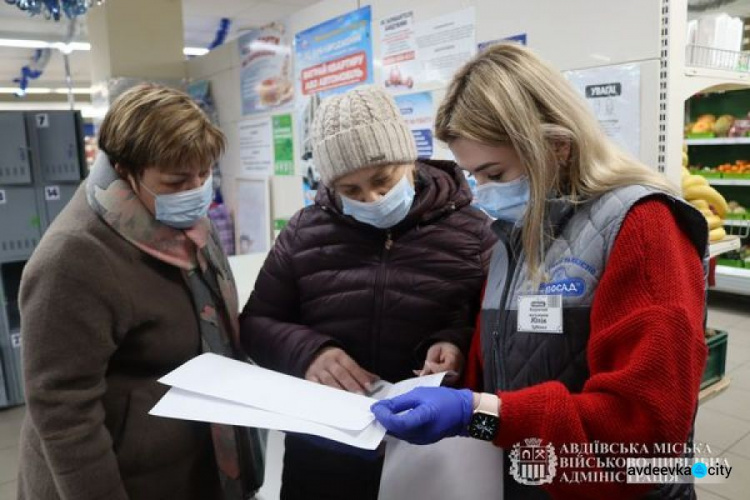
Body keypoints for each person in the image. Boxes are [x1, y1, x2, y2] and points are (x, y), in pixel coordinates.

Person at [371, 44, 709, 500]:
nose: (482, 193)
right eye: (473, 177)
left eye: (494, 172)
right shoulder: (515, 231)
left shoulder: (644, 227)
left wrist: (477, 412)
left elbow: (644, 432)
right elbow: (521, 347)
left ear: (556, 147)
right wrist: (459, 364)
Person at [240, 85, 496, 500]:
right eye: (351, 190)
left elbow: (494, 328)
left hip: (432, 453)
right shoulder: (306, 232)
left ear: (408, 159)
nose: (372, 199)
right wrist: (309, 352)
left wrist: (456, 344)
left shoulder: (473, 232)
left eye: (382, 180)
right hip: (324, 454)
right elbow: (256, 323)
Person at [17, 84, 264, 500]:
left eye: (203, 174)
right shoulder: (74, 257)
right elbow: (63, 413)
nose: (196, 190)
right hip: (123, 478)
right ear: (125, 170)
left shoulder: (189, 226)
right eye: (176, 180)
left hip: (192, 463)